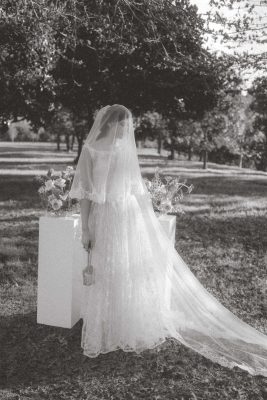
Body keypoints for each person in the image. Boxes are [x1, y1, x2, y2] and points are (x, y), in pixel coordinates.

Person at [69, 104, 267, 376]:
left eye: (129, 125)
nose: (129, 130)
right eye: (125, 124)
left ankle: (124, 325)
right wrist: (86, 229)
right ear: (112, 122)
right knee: (104, 269)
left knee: (125, 269)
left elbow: (135, 189)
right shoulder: (92, 149)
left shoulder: (126, 149)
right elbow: (85, 193)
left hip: (126, 216)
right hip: (102, 217)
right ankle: (104, 326)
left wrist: (147, 220)